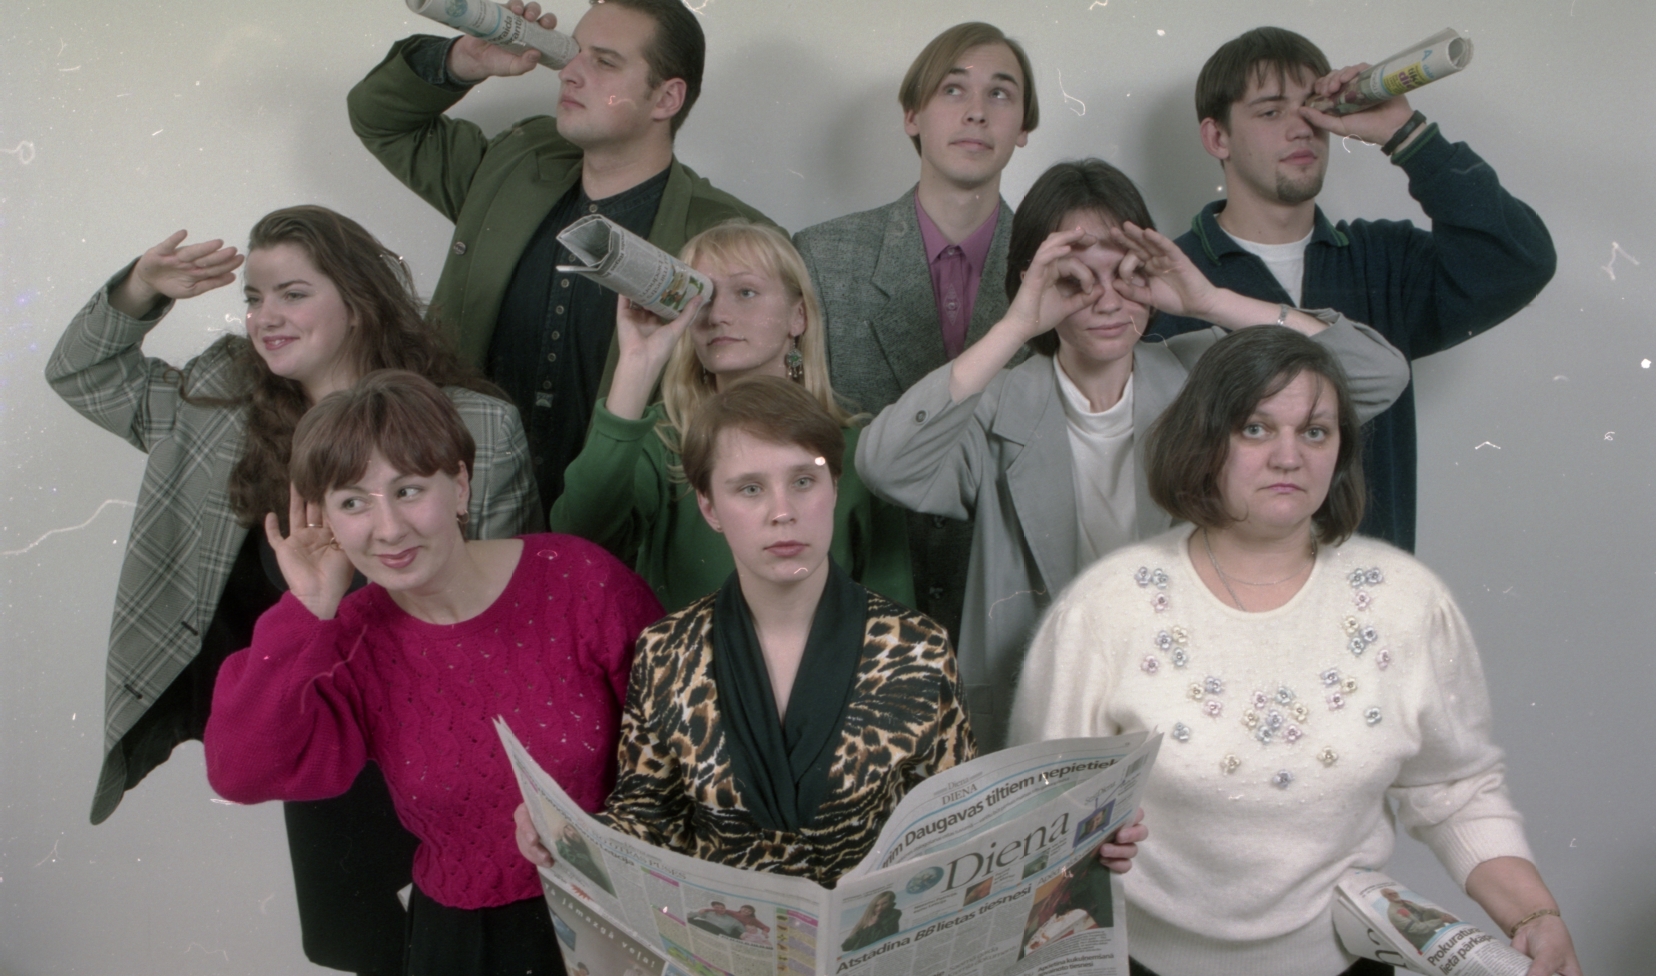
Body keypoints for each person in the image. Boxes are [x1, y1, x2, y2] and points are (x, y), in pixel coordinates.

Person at [46, 206, 541, 975]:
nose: (265, 316)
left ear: (359, 301)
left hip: (440, 723)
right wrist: (143, 285)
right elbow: (81, 373)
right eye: (254, 298)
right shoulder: (220, 403)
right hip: (315, 720)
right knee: (352, 935)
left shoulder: (477, 423)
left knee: (468, 928)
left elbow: (509, 602)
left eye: (292, 294)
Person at [1008, 327, 1583, 976]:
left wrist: (1536, 917)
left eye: (1314, 432)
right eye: (1255, 429)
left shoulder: (1405, 603)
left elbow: (1453, 789)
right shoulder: (1105, 608)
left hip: (1349, 963)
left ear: (1340, 451)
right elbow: (1040, 820)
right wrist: (1085, 844)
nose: (1289, 457)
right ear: (1204, 442)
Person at [856, 159, 1409, 750]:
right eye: (1075, 279)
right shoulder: (996, 406)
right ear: (1034, 280)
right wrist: (1016, 325)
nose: (1106, 300)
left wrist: (1210, 300)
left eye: (1126, 273)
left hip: (1189, 713)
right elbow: (885, 466)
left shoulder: (1202, 376)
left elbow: (1377, 375)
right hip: (1041, 722)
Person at [204, 370, 663, 976]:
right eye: (353, 502)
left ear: (461, 485)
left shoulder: (580, 581)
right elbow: (240, 772)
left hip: (624, 914)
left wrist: (599, 831)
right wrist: (306, 610)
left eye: (409, 490)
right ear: (328, 522)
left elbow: (688, 755)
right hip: (464, 942)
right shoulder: (350, 640)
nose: (389, 528)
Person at [518, 377, 970, 888]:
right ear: (710, 508)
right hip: (721, 930)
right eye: (750, 489)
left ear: (834, 488)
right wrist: (568, 834)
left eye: (804, 481)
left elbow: (953, 827)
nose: (783, 512)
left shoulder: (917, 648)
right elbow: (647, 818)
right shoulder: (667, 651)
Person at [348, 0, 772, 509]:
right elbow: (381, 120)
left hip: (626, 522)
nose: (569, 72)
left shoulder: (727, 236)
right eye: (573, 54)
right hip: (464, 512)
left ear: (666, 98)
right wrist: (466, 59)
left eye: (605, 62)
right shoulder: (515, 168)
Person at [1149, 26, 1556, 551]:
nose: (1301, 127)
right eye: (1271, 111)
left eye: (1312, 106)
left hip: (1371, 593)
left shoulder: (1383, 261)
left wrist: (1404, 133)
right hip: (1228, 591)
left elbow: (1520, 261)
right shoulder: (1166, 281)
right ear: (1217, 138)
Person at [794, 21, 1039, 644]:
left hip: (1008, 615)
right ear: (912, 116)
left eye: (1000, 94)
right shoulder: (822, 257)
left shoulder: (1057, 269)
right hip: (854, 602)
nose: (977, 112)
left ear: (1024, 127)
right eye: (953, 90)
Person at [548, 221, 912, 611]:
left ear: (798, 316)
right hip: (683, 650)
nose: (717, 315)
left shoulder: (857, 449)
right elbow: (579, 535)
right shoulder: (665, 437)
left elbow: (894, 617)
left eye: (745, 292)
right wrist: (636, 366)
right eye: (702, 297)